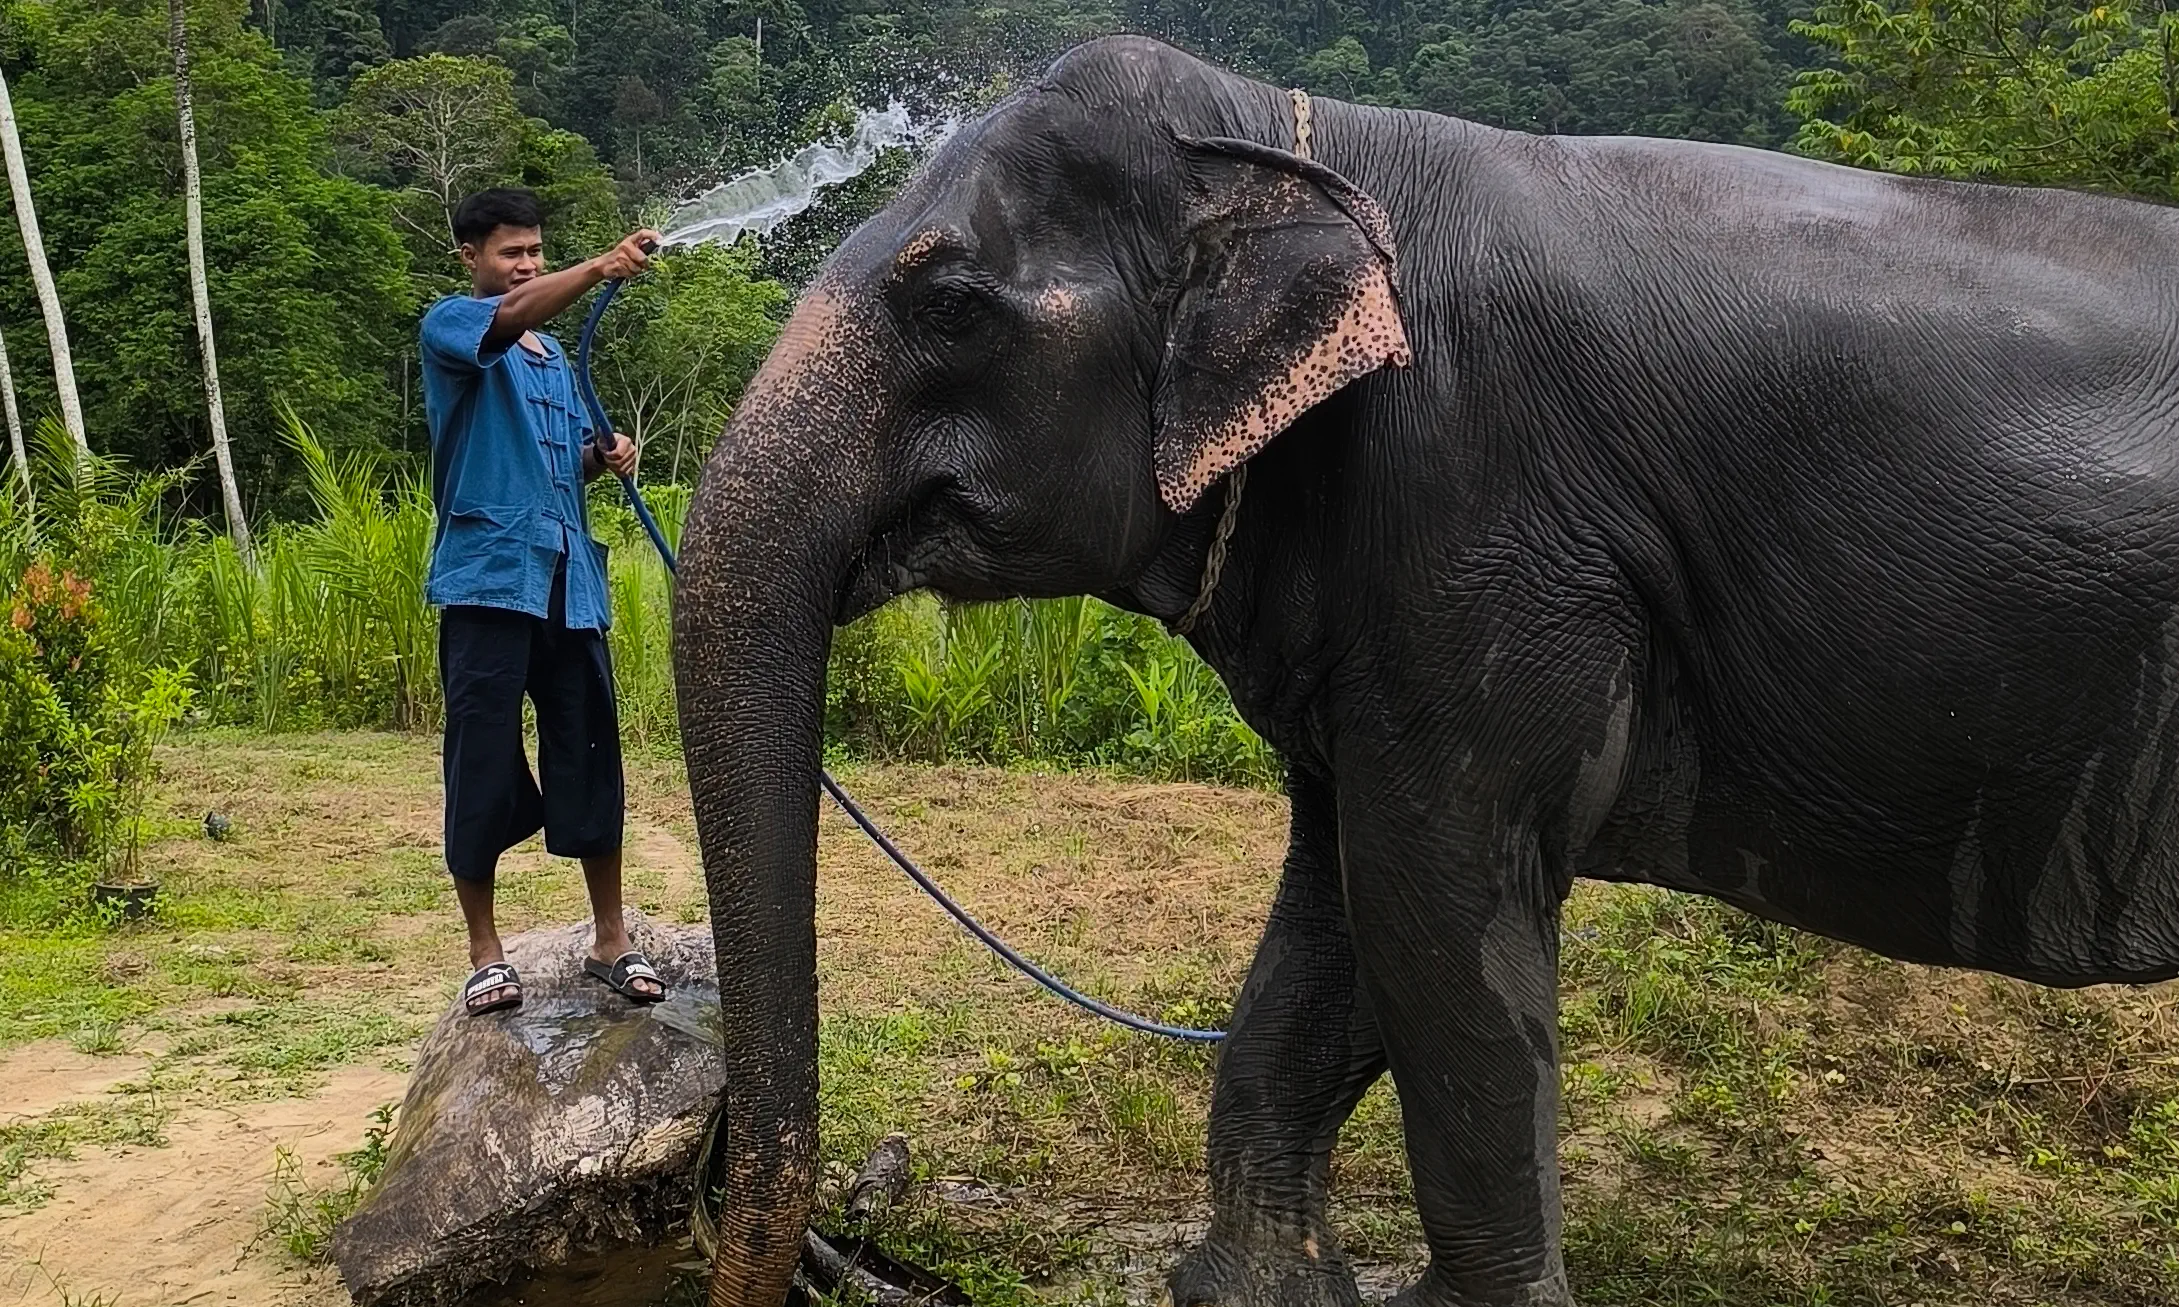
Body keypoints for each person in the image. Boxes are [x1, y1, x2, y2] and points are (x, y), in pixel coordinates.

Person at [420, 186, 667, 1016]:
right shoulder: (453, 325)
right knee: (481, 757)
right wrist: (597, 265)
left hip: (570, 587)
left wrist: (603, 458)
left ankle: (609, 938)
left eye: (533, 250)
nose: (524, 264)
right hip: (488, 579)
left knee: (592, 754)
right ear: (471, 258)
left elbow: (556, 462)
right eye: (509, 253)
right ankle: (485, 952)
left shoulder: (555, 358)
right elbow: (507, 320)